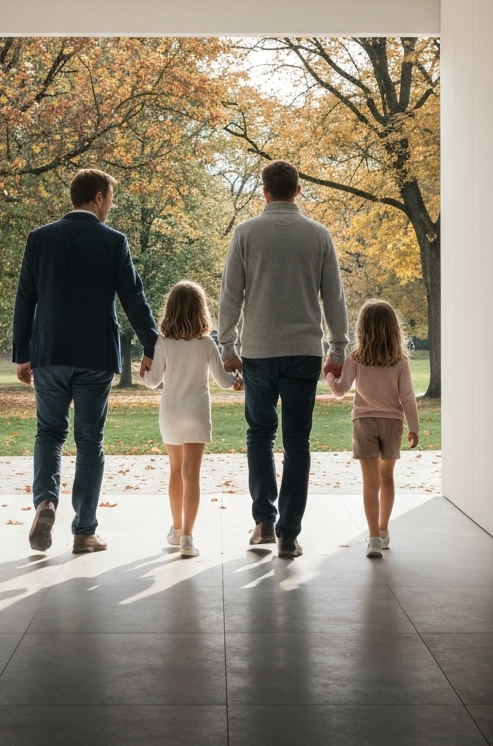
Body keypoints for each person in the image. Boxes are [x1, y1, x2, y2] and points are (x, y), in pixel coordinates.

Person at [12, 169, 158, 554]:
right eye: (110, 198)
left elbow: (25, 299)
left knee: (49, 433)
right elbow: (133, 298)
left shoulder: (40, 238)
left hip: (49, 353)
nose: (111, 205)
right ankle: (84, 531)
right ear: (97, 197)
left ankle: (45, 501)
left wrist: (22, 355)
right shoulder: (114, 241)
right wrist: (152, 346)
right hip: (95, 356)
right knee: (90, 440)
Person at [218, 160, 349, 559]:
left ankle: (263, 523)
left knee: (259, 434)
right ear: (297, 191)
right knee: (297, 441)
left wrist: (227, 346)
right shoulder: (318, 235)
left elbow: (230, 296)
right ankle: (290, 533)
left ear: (264, 192)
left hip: (257, 351)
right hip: (304, 352)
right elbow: (335, 298)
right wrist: (338, 349)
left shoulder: (245, 234)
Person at [141, 281, 242, 558]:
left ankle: (175, 529)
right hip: (197, 413)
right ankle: (188, 537)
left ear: (170, 310)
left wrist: (144, 367)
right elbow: (223, 382)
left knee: (175, 471)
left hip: (171, 413)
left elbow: (152, 381)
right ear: (201, 311)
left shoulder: (163, 342)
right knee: (192, 474)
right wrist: (235, 374)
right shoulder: (207, 343)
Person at [325, 300, 420, 557]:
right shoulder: (399, 361)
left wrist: (329, 375)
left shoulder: (356, 358)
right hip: (393, 423)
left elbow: (340, 391)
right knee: (387, 478)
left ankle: (374, 539)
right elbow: (408, 397)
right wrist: (414, 428)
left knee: (370, 483)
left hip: (364, 422)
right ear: (393, 329)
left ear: (362, 329)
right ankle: (384, 529)